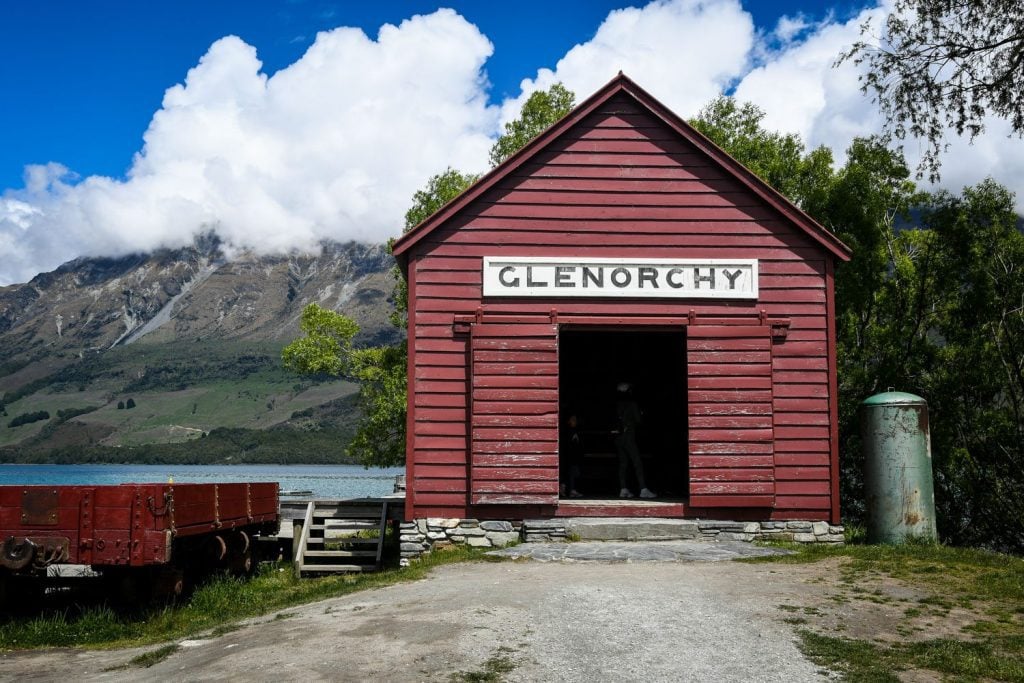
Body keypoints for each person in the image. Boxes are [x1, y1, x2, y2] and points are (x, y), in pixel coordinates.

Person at [614, 383, 656, 499]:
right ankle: (643, 489)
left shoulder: (616, 405)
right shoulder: (632, 404)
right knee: (637, 462)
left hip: (618, 437)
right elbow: (638, 420)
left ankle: (623, 489)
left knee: (623, 464)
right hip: (629, 436)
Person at [560, 413, 584, 498]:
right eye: (573, 419)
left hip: (572, 457)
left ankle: (568, 490)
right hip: (570, 457)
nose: (575, 421)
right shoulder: (569, 431)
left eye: (575, 420)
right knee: (571, 474)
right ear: (568, 421)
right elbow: (570, 445)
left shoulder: (574, 430)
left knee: (572, 474)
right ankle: (571, 491)